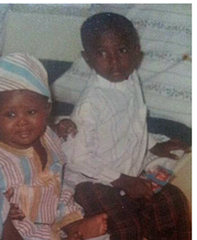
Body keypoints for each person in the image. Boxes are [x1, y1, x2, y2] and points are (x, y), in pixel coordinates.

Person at [62, 12, 191, 240]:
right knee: (126, 226)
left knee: (173, 200)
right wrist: (122, 180)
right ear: (87, 58)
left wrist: (154, 146)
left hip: (127, 174)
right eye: (102, 53)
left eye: (121, 50)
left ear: (136, 52)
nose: (114, 61)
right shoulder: (91, 102)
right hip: (91, 181)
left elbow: (132, 126)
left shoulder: (131, 80)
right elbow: (77, 158)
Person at [0, 53, 108, 240]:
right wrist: (3, 211)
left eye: (31, 112)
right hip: (18, 231)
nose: (22, 122)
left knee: (64, 191)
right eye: (10, 115)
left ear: (47, 110)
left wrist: (61, 126)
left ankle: (73, 226)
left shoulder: (48, 137)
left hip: (52, 213)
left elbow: (58, 186)